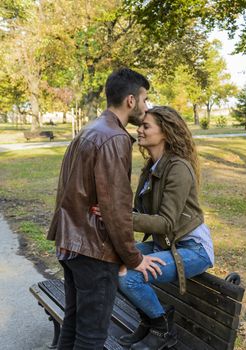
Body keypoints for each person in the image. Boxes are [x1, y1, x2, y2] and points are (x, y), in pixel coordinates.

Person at [47, 68, 162, 350]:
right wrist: (134, 259)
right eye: (145, 100)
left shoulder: (90, 129)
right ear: (131, 101)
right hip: (93, 250)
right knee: (92, 336)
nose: (146, 108)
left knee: (73, 324)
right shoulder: (115, 138)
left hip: (71, 244)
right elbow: (115, 209)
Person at [114, 106, 214, 350]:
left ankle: (162, 328)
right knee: (111, 260)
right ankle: (149, 321)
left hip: (193, 249)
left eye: (146, 126)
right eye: (140, 125)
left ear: (166, 133)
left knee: (129, 277)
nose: (139, 130)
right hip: (165, 244)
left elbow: (166, 223)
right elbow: (142, 214)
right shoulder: (151, 167)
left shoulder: (178, 168)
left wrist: (119, 217)